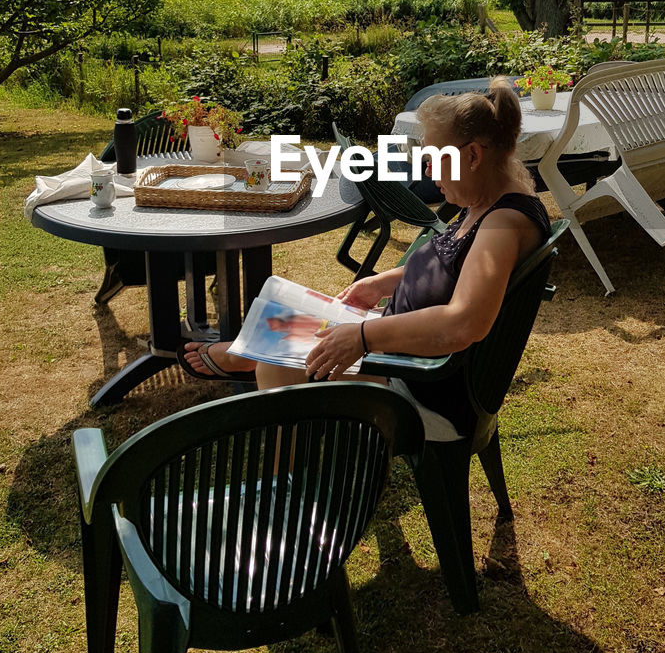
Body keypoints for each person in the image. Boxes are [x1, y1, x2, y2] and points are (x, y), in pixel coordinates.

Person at [179, 76, 550, 434]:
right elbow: (453, 267)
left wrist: (364, 336)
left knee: (276, 365)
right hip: (407, 351)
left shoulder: (503, 224)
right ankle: (248, 349)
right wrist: (382, 282)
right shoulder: (487, 203)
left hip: (422, 381)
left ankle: (292, 484)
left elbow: (464, 323)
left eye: (434, 158)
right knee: (283, 312)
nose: (426, 169)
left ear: (472, 156)